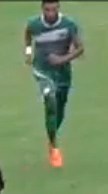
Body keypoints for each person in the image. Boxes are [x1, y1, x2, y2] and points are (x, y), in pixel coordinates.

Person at [24, 0, 84, 168]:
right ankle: (54, 147)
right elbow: (28, 35)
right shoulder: (34, 24)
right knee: (50, 99)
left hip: (63, 73)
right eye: (47, 10)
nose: (50, 13)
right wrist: (28, 52)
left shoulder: (68, 25)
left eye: (53, 9)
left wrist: (62, 59)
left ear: (58, 8)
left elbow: (80, 48)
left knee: (60, 107)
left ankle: (52, 134)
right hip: (42, 70)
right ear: (42, 9)